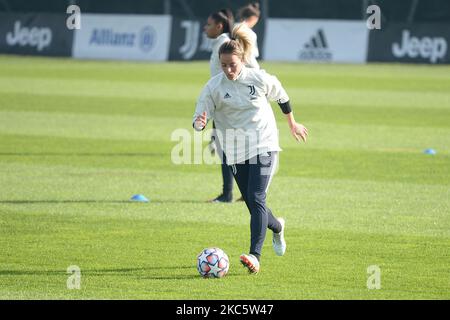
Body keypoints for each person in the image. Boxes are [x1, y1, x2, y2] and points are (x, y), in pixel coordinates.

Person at [192, 25, 308, 274]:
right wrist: (199, 123)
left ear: (242, 59)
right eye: (223, 65)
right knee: (256, 206)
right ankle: (277, 227)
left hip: (264, 144)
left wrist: (292, 123)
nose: (228, 70)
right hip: (234, 151)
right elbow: (200, 114)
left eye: (232, 64)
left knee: (255, 198)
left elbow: (282, 96)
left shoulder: (259, 78)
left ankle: (255, 256)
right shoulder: (213, 87)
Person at [203, 9, 238, 203]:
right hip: (222, 101)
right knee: (224, 147)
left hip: (226, 103)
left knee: (227, 148)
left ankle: (227, 194)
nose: (205, 27)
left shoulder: (225, 43)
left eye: (208, 24)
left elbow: (246, 66)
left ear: (219, 26)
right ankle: (234, 192)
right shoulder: (221, 42)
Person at [235, 2, 261, 69]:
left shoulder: (233, 27)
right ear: (254, 18)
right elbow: (249, 56)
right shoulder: (249, 33)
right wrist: (257, 69)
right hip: (244, 66)